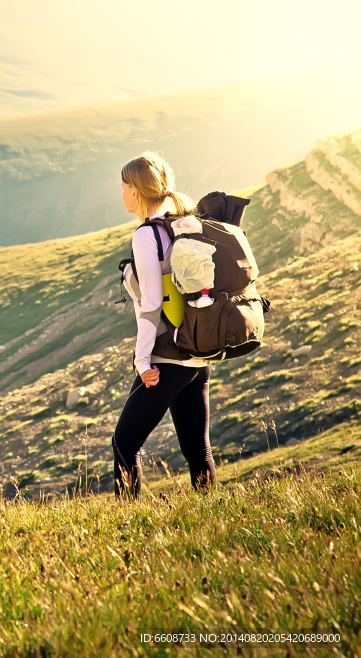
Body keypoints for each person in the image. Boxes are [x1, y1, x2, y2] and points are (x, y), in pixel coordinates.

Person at [112, 152, 216, 498]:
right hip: (196, 357)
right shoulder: (183, 225)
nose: (122, 192)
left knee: (124, 443)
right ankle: (213, 514)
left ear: (136, 191)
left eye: (124, 185)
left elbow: (152, 303)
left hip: (166, 358)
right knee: (196, 451)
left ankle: (128, 522)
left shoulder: (146, 236)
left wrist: (142, 362)